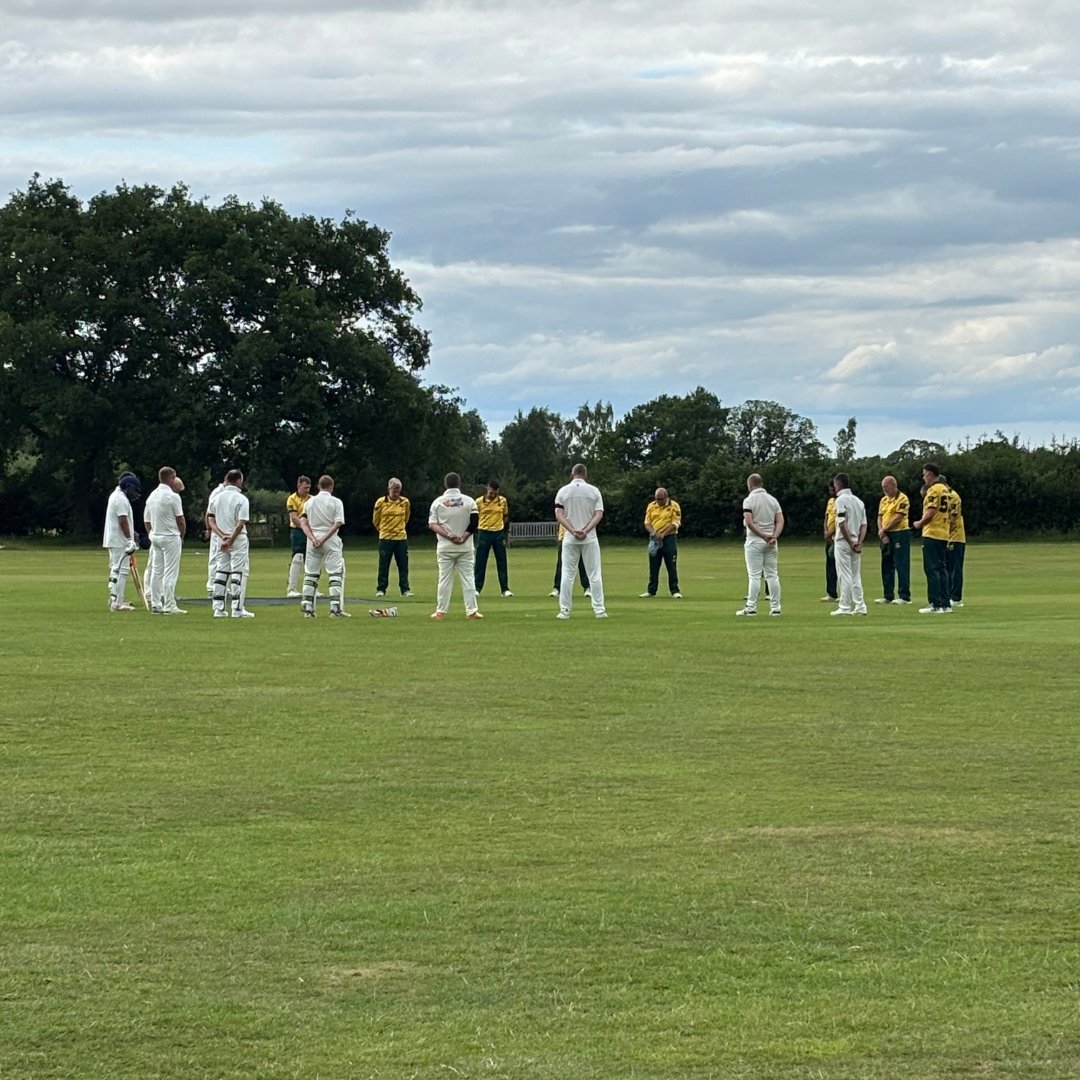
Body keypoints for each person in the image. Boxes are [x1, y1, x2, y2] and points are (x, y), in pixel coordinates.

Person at [554, 463, 607, 619]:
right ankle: (599, 610)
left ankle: (564, 611)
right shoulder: (594, 491)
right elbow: (599, 514)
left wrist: (572, 530)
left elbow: (559, 515)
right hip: (590, 538)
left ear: (572, 474)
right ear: (586, 474)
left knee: (567, 574)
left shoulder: (563, 491)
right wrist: (585, 530)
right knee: (594, 574)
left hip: (570, 538)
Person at [428, 472, 482, 620]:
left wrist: (449, 535)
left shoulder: (437, 502)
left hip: (445, 547)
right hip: (465, 548)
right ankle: (472, 611)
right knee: (468, 579)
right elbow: (474, 523)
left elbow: (433, 524)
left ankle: (440, 611)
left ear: (445, 484)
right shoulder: (470, 501)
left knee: (444, 579)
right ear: (459, 484)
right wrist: (463, 537)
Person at [300, 474, 350, 618]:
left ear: (318, 486)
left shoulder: (309, 502)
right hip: (330, 539)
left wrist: (312, 538)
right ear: (332, 487)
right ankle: (335, 608)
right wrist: (323, 538)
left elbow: (303, 522)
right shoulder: (336, 502)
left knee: (311, 572)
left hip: (312, 540)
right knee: (335, 572)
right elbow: (337, 523)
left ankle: (308, 606)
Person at [206, 469, 254, 618]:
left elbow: (210, 519)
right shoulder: (241, 499)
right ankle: (237, 608)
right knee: (238, 572)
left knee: (221, 571)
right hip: (237, 539)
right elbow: (240, 523)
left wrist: (222, 536)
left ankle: (218, 608)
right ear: (238, 480)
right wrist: (231, 538)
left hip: (222, 538)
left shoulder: (217, 498)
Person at [735, 474, 783, 617]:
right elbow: (780, 521)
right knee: (772, 574)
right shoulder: (773, 500)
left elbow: (749, 522)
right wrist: (774, 536)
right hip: (771, 542)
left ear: (749, 485)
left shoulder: (749, 500)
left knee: (754, 575)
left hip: (755, 541)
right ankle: (776, 607)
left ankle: (751, 607)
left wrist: (763, 535)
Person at [144, 467, 187, 614]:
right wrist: (181, 536)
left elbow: (146, 520)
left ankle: (156, 604)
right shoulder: (173, 497)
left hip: (156, 537)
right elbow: (180, 520)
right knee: (170, 572)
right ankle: (169, 604)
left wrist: (151, 534)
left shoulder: (152, 496)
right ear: (171, 478)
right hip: (170, 537)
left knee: (157, 571)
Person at [912, 463, 953, 614]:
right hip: (944, 532)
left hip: (932, 532)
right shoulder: (946, 490)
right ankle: (945, 603)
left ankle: (935, 603)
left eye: (924, 474)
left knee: (932, 569)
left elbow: (931, 512)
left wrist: (919, 523)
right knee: (942, 569)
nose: (923, 478)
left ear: (930, 474)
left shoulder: (933, 490)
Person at [103, 471, 142, 611]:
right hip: (119, 541)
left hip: (116, 539)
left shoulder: (117, 496)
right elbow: (122, 521)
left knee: (117, 570)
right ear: (128, 486)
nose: (135, 494)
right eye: (134, 490)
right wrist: (129, 539)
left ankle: (116, 598)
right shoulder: (120, 499)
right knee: (122, 570)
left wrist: (133, 533)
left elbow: (125, 522)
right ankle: (118, 602)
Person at [831, 473, 868, 616]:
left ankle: (844, 606)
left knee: (844, 574)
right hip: (856, 541)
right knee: (855, 575)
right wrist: (859, 541)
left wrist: (850, 542)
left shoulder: (840, 500)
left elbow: (841, 523)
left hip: (843, 541)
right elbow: (864, 525)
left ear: (837, 485)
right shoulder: (859, 501)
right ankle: (860, 606)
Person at [373, 477, 412, 598]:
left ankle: (405, 589)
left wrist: (399, 529)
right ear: (389, 489)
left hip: (401, 538)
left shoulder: (405, 502)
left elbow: (406, 518)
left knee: (403, 565)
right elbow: (375, 520)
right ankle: (381, 589)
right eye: (394, 490)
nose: (396, 493)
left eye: (398, 490)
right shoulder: (381, 502)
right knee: (384, 565)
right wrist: (383, 530)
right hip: (385, 538)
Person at [876, 475, 912, 604]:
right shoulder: (883, 500)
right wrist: (882, 532)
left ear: (893, 485)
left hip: (899, 533)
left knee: (901, 564)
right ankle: (888, 595)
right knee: (886, 565)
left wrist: (884, 529)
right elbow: (880, 517)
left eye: (886, 487)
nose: (884, 489)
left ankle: (904, 596)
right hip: (885, 534)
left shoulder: (902, 498)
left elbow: (898, 517)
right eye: (883, 487)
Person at [640, 487, 682, 598]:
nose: (659, 502)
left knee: (671, 565)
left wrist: (663, 534)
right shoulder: (651, 506)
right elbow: (647, 523)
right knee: (653, 565)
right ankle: (651, 591)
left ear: (666, 497)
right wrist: (654, 533)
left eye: (661, 499)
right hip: (654, 538)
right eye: (657, 499)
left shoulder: (674, 506)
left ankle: (675, 590)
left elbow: (675, 523)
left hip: (669, 538)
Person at [474, 480, 512, 596]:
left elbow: (505, 516)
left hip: (498, 533)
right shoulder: (479, 501)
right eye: (491, 492)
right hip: (484, 532)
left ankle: (505, 589)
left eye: (495, 492)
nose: (492, 495)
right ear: (487, 489)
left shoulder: (502, 501)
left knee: (502, 561)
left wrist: (500, 527)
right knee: (480, 561)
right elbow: (475, 517)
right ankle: (477, 588)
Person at [285, 476, 312, 597]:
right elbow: (294, 517)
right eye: (305, 487)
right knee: (298, 557)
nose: (307, 490)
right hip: (298, 531)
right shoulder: (292, 498)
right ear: (299, 485)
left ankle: (311, 589)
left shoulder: (312, 499)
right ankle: (292, 588)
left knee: (311, 559)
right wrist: (305, 527)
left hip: (311, 531)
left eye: (309, 487)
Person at [550, 522, 590, 597]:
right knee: (561, 564)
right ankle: (557, 588)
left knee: (582, 563)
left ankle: (587, 587)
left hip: (579, 537)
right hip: (564, 537)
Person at [204, 475, 226, 597]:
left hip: (225, 528)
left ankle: (222, 585)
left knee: (224, 558)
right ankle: (212, 586)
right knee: (215, 558)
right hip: (216, 529)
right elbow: (209, 512)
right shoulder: (217, 492)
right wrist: (208, 528)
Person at [946, 480, 966, 608]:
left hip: (955, 537)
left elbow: (952, 517)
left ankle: (956, 597)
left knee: (955, 568)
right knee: (947, 568)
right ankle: (948, 595)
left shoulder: (953, 497)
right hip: (947, 537)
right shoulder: (945, 496)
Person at [821, 481, 839, 602]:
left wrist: (830, 532)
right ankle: (831, 593)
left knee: (840, 567)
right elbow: (827, 517)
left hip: (838, 537)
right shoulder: (830, 501)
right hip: (829, 539)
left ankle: (845, 593)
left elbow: (839, 520)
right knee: (830, 567)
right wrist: (826, 531)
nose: (831, 493)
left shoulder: (842, 501)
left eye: (833, 490)